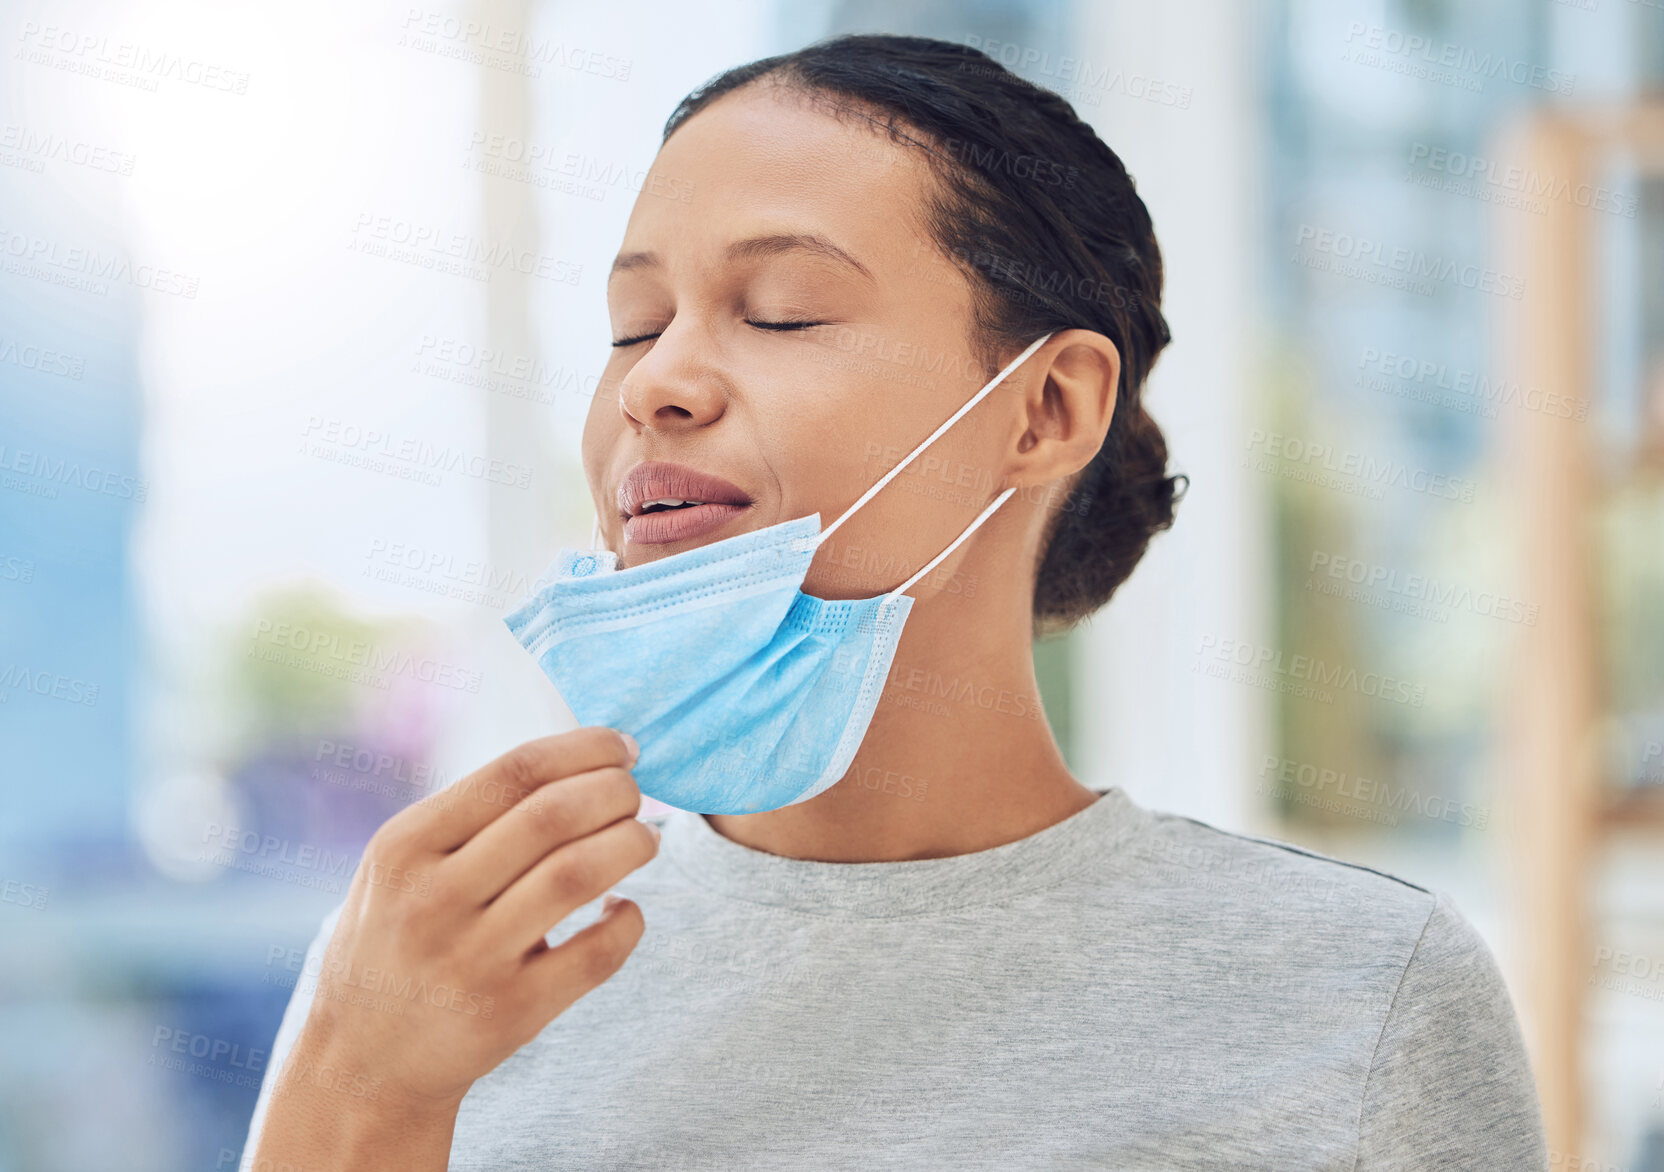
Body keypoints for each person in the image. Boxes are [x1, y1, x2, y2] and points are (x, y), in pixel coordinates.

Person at [243, 33, 1548, 1170]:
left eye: (784, 313)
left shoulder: (1358, 996)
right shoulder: (438, 974)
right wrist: (355, 1082)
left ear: (1044, 410)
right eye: (634, 328)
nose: (655, 387)